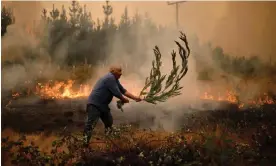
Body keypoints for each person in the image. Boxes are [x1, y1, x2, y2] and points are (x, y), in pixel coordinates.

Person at [83, 65, 142, 146]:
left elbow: (123, 91)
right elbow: (116, 92)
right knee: (90, 125)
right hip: (95, 104)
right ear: (113, 72)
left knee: (109, 123)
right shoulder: (109, 78)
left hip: (103, 105)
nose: (121, 73)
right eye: (119, 71)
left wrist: (135, 98)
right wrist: (123, 99)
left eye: (121, 71)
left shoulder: (115, 79)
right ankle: (84, 144)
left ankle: (109, 143)